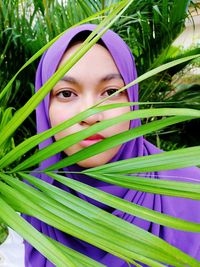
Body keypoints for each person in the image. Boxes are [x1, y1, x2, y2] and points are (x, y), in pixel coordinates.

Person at [20, 24, 200, 266]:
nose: (91, 115)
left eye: (111, 91)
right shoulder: (28, 197)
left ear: (133, 100)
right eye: (66, 93)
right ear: (44, 108)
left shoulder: (188, 190)